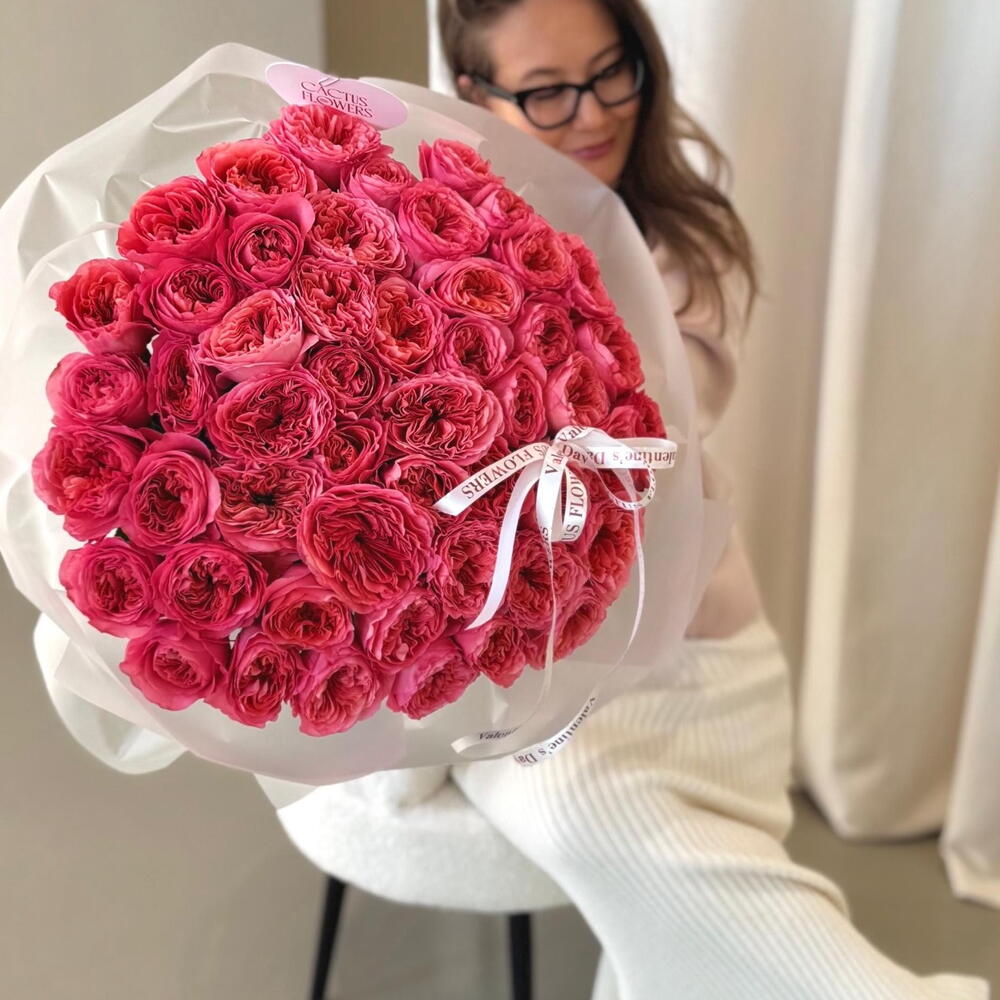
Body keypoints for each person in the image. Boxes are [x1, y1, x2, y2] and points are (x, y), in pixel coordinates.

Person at [428, 1, 990, 997]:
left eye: (614, 71)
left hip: (683, 639)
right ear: (475, 93)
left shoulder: (683, 245)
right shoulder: (424, 233)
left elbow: (635, 454)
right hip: (516, 666)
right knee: (591, 818)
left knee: (603, 826)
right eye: (548, 93)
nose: (595, 112)